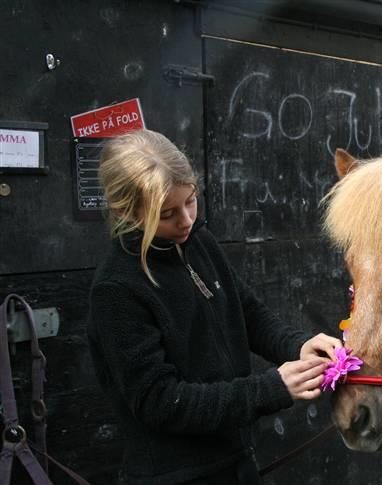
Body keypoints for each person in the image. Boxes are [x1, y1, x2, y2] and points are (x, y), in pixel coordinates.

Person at [86, 129, 341, 485]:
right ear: (124, 211)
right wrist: (270, 388)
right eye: (167, 213)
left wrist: (296, 344)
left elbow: (246, 312)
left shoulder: (198, 241)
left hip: (235, 460)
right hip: (176, 476)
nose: (186, 220)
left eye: (190, 201)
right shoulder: (117, 289)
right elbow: (161, 401)